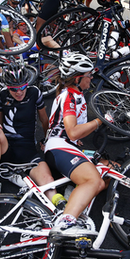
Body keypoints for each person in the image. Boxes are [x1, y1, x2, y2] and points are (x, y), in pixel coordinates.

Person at [45, 53, 106, 240]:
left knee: (102, 180)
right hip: (58, 145)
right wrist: (100, 121)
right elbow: (72, 132)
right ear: (78, 78)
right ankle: (66, 222)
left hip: (63, 146)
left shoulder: (75, 95)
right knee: (93, 181)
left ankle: (74, 197)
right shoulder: (69, 96)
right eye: (89, 74)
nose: (92, 78)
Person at [0, 64, 58, 201]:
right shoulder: (2, 94)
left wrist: (46, 139)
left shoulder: (35, 92)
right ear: (7, 87)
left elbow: (44, 119)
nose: (19, 92)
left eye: (22, 87)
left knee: (49, 183)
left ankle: (62, 214)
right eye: (13, 89)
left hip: (28, 150)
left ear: (27, 84)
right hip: (7, 148)